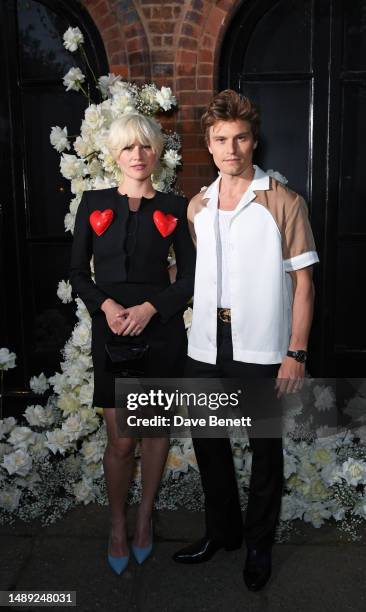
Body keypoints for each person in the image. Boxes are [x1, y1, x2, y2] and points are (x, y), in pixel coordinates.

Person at [173, 90, 319, 591]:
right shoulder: (198, 206)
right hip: (206, 345)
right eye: (220, 139)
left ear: (253, 140)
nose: (230, 148)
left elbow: (304, 283)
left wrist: (295, 352)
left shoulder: (284, 202)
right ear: (209, 146)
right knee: (208, 443)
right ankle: (223, 532)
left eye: (239, 138)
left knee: (265, 452)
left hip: (262, 346)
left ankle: (258, 545)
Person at [69, 113, 195, 575]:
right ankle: (117, 525)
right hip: (112, 331)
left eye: (144, 146)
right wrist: (107, 309)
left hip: (159, 330)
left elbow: (190, 279)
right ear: (115, 154)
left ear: (156, 151)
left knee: (156, 432)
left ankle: (145, 521)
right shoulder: (93, 203)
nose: (137, 156)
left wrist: (149, 309)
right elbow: (79, 274)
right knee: (122, 441)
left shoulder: (176, 207)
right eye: (128, 148)